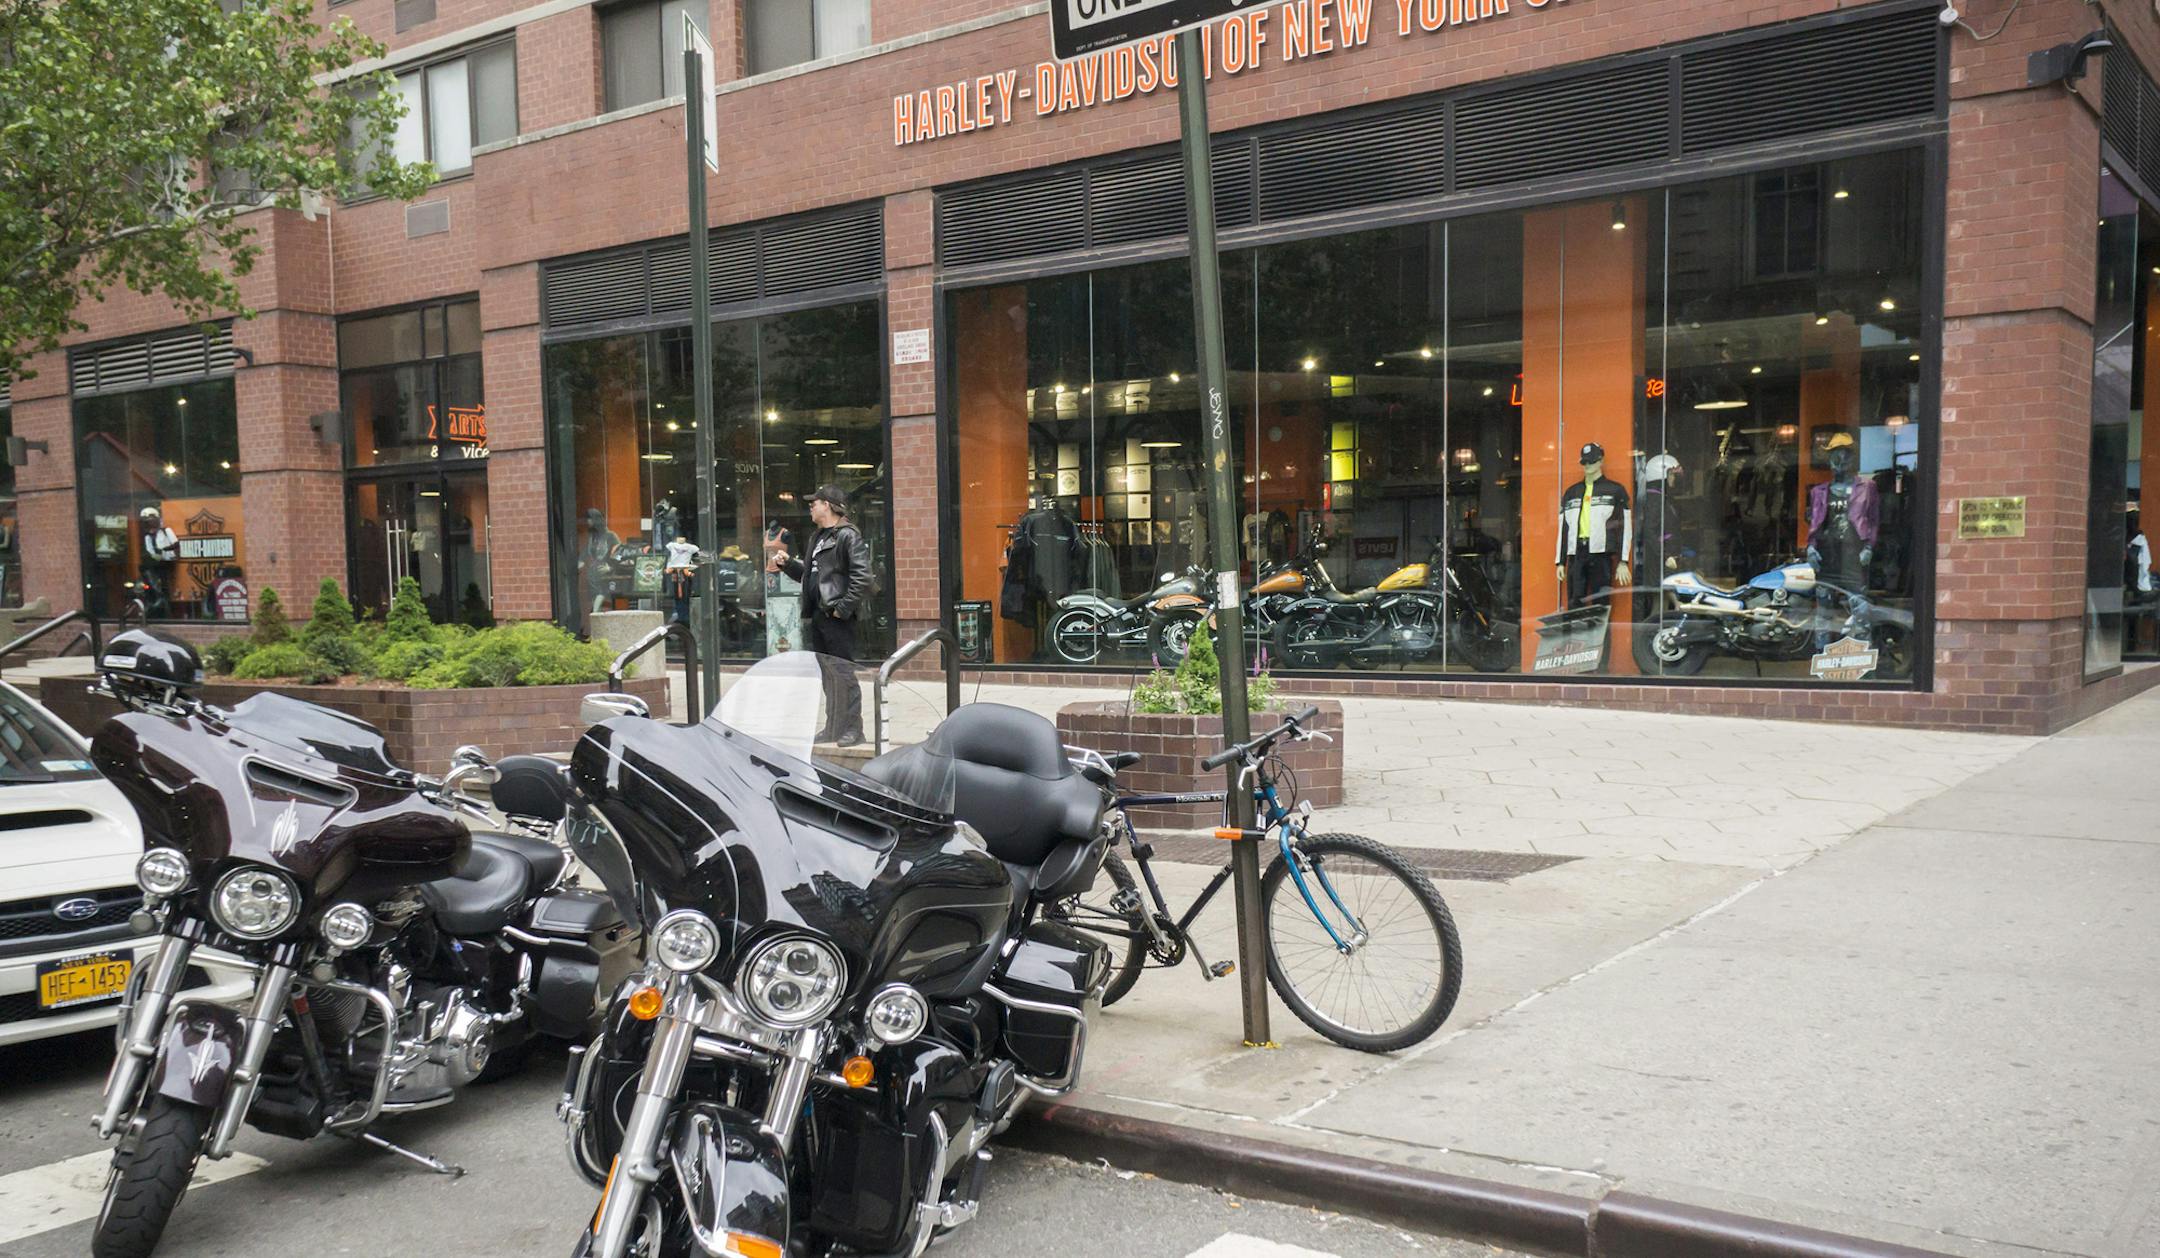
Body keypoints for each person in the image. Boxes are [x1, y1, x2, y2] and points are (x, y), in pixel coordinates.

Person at [767, 485, 872, 745]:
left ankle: (853, 729)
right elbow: (812, 576)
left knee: (843, 674)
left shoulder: (848, 536)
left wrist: (842, 609)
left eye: (815, 502)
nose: (811, 506)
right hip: (818, 616)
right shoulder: (818, 537)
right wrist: (788, 564)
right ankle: (834, 727)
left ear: (828, 505)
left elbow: (863, 577)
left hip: (836, 618)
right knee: (828, 676)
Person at [662, 534, 702, 625]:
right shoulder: (671, 545)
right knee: (677, 594)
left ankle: (684, 617)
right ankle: (681, 616)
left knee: (685, 594)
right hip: (675, 571)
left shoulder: (691, 547)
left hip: (685, 571)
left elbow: (698, 557)